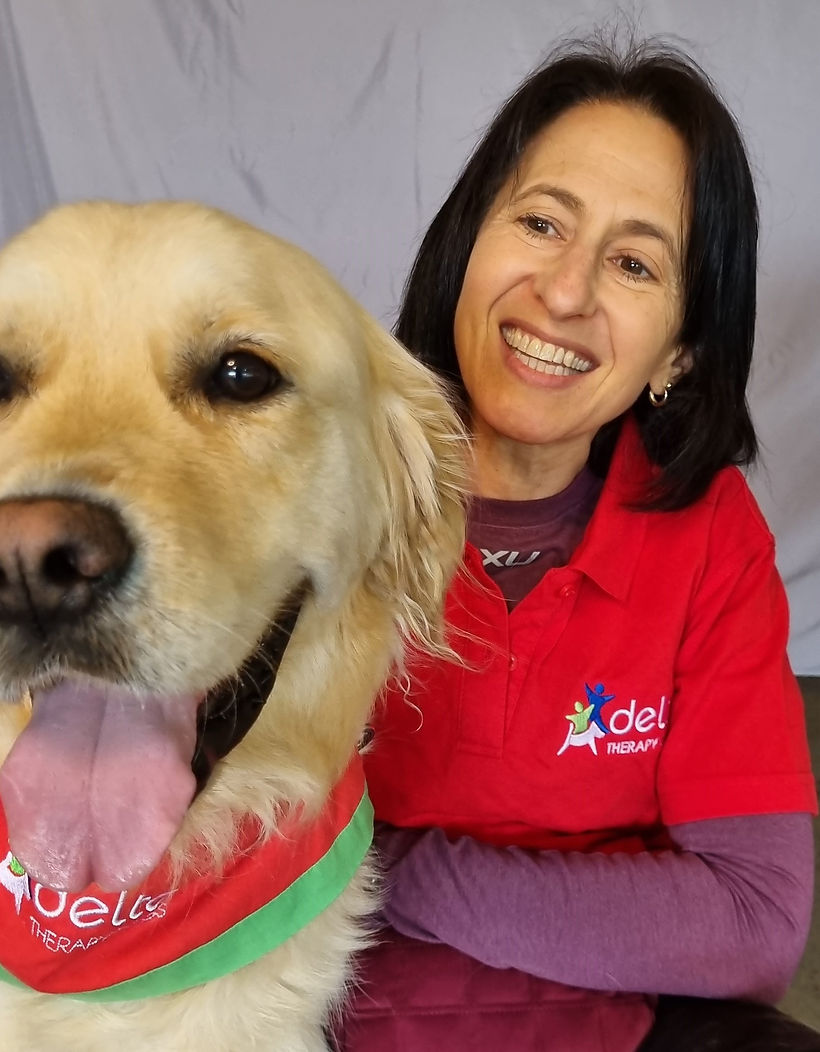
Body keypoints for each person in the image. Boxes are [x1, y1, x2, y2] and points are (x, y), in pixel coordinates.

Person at [335, 33, 818, 1052]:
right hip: (318, 1013)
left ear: (677, 348)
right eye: (540, 221)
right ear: (470, 240)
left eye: (633, 261)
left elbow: (751, 924)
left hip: (628, 1030)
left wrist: (391, 862)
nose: (563, 291)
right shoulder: (318, 483)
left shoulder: (708, 535)